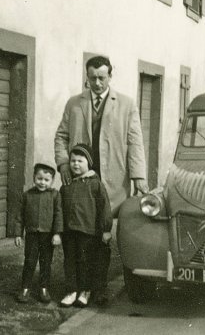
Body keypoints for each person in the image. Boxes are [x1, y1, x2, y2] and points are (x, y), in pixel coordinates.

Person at [54, 55, 148, 305]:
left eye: (102, 78)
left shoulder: (126, 105)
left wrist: (138, 176)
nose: (96, 83)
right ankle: (78, 286)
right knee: (79, 236)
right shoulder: (74, 103)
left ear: (110, 76)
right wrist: (63, 163)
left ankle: (99, 287)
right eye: (92, 78)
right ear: (87, 77)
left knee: (103, 236)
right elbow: (61, 136)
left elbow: (135, 141)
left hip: (111, 179)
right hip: (79, 182)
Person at [59, 144, 113, 308]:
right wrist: (58, 230)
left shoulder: (95, 184)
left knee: (85, 261)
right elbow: (59, 208)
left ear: (88, 163)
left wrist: (105, 229)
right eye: (72, 161)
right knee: (70, 261)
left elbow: (104, 208)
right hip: (69, 231)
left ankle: (85, 290)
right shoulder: (66, 186)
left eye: (80, 161)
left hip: (88, 231)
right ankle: (71, 290)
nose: (75, 164)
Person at [13, 163, 63, 304]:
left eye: (46, 180)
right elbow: (20, 217)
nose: (42, 182)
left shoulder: (55, 195)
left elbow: (58, 216)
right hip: (32, 235)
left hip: (48, 236)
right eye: (39, 178)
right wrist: (18, 234)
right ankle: (25, 288)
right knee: (29, 262)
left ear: (52, 181)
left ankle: (44, 288)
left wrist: (57, 233)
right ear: (34, 178)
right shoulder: (27, 195)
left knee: (46, 262)